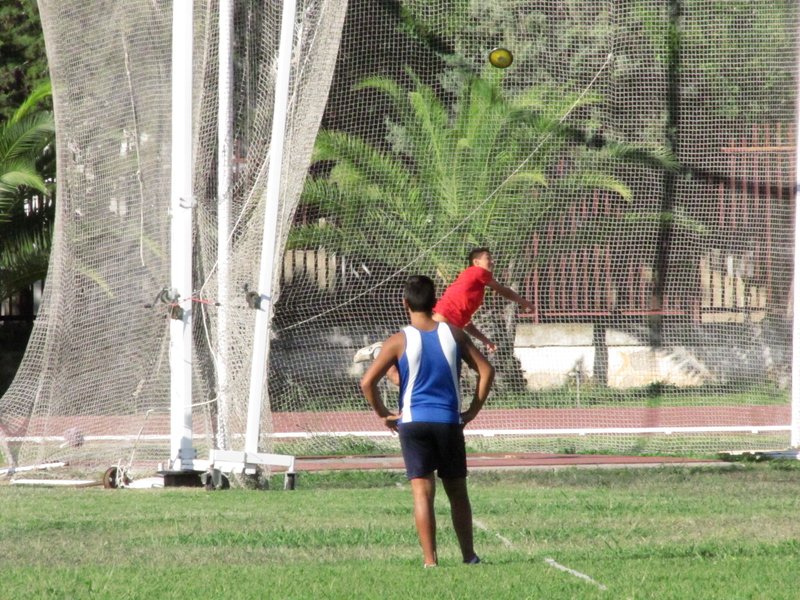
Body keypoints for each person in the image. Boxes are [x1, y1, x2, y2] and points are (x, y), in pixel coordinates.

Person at [360, 275, 495, 567]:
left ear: (405, 304)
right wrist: (473, 409)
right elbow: (487, 371)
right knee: (457, 493)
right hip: (448, 422)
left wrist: (383, 414)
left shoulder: (398, 340)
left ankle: (430, 562)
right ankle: (469, 557)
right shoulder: (455, 334)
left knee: (423, 494)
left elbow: (367, 382)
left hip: (413, 423)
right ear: (435, 303)